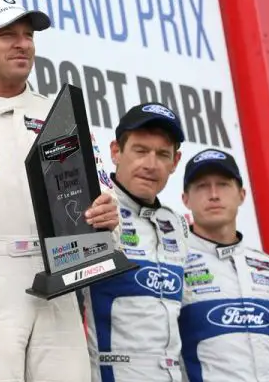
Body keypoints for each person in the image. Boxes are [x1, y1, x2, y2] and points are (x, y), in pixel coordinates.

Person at [0, 0, 119, 382]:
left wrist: (107, 219)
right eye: (6, 35)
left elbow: (101, 209)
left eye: (28, 35)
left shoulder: (61, 115)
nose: (23, 43)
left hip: (62, 279)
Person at [82, 103, 189, 382]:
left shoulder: (176, 225)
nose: (151, 165)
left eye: (162, 154)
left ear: (175, 162)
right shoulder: (93, 206)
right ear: (116, 151)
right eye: (140, 151)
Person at [178, 148, 269, 382]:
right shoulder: (173, 265)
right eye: (202, 186)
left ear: (242, 194)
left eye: (224, 184)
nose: (214, 194)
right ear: (185, 199)